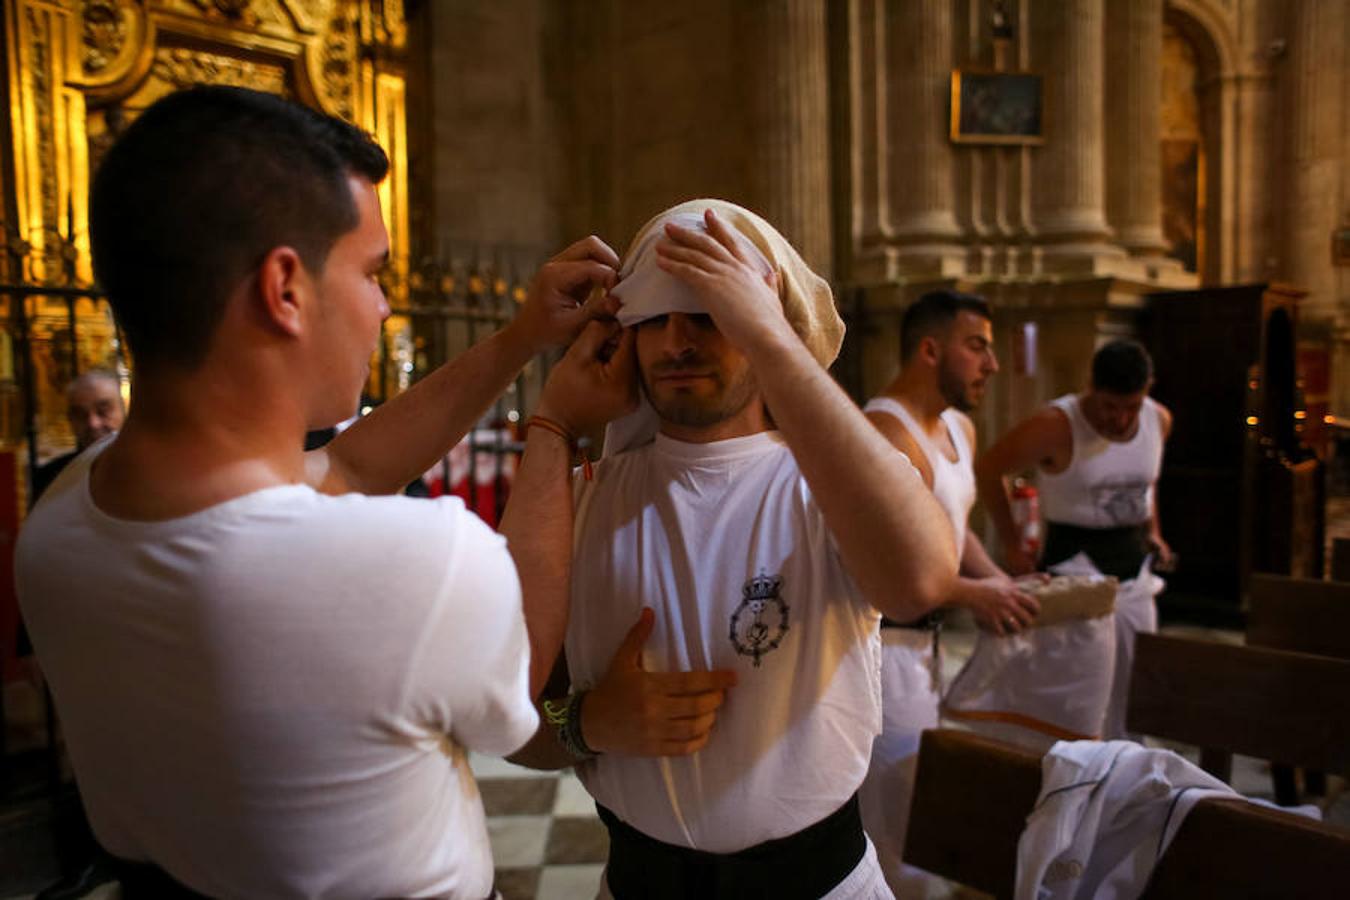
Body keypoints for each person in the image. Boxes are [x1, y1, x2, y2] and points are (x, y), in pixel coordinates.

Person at [16, 85, 634, 898]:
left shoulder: (61, 514)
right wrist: (552, 425)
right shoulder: (416, 561)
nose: (383, 307)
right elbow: (519, 690)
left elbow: (344, 469)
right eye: (373, 272)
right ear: (285, 289)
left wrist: (522, 340)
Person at [511, 199, 959, 900]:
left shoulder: (827, 485)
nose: (675, 342)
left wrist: (770, 334)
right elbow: (507, 715)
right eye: (653, 319)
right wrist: (587, 723)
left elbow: (921, 582)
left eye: (708, 314)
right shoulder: (583, 497)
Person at [855, 289, 1040, 897]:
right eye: (978, 347)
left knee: (922, 803)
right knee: (892, 821)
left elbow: (950, 530)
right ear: (930, 351)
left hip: (925, 652)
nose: (992, 364)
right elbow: (884, 562)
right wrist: (976, 596)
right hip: (882, 655)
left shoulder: (958, 426)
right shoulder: (886, 433)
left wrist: (997, 582)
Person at [974, 338, 1173, 738]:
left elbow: (1146, 484)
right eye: (1108, 407)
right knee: (1075, 696)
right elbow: (988, 468)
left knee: (1133, 691)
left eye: (1130, 407)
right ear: (1089, 386)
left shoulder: (1159, 420)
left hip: (1135, 569)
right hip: (1073, 569)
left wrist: (1154, 532)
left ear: (1147, 390)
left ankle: (1124, 785)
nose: (1119, 420)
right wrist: (1012, 542)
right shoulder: (1056, 424)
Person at [31, 369, 126, 498]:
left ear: (125, 411)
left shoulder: (152, 473)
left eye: (103, 410)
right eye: (80, 414)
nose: (93, 423)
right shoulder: (51, 479)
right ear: (70, 420)